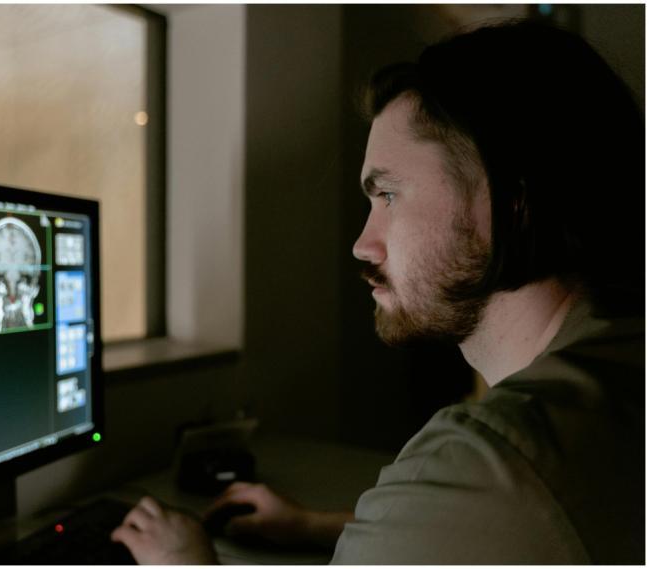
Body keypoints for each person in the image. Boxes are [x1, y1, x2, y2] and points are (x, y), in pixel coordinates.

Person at [110, 19, 645, 564]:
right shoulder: (619, 367)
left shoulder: (495, 456)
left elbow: (492, 501)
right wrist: (313, 526)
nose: (362, 245)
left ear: (512, 202)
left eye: (388, 195)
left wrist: (186, 560)